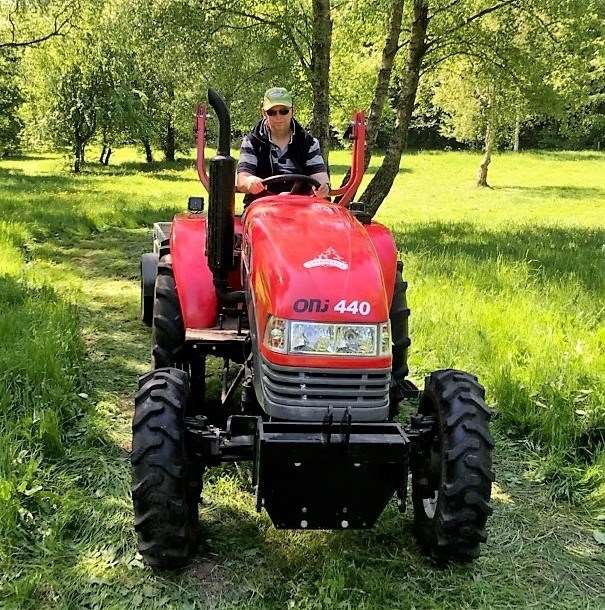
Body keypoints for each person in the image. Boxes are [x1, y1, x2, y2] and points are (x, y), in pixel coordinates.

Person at [236, 87, 330, 203]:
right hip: (262, 205)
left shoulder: (308, 142)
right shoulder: (252, 142)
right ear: (264, 113)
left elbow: (319, 176)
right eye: (272, 112)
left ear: (292, 111)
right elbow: (242, 179)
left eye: (284, 111)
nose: (278, 117)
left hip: (301, 205)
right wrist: (250, 182)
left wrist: (322, 187)